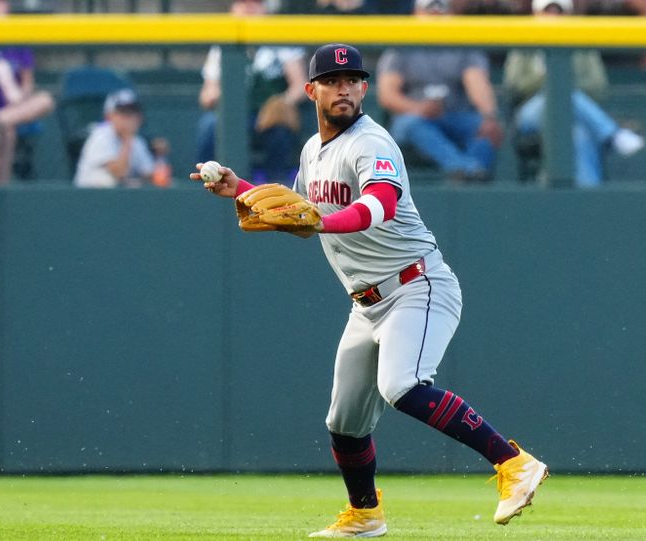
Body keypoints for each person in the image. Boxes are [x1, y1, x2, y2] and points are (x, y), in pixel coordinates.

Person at [191, 43, 548, 538]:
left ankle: (514, 464)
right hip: (367, 304)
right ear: (311, 90)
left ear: (363, 88)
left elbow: (377, 204)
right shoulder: (312, 150)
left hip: (416, 285)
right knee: (345, 421)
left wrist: (322, 221)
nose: (344, 88)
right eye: (333, 81)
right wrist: (242, 188)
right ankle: (365, 514)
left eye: (353, 80)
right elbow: (295, 208)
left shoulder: (372, 143)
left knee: (401, 386)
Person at [502, 0, 646, 187]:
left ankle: (587, 200)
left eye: (558, 12)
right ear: (536, 14)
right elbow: (513, 85)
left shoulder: (581, 43)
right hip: (530, 114)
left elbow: (598, 85)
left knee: (578, 133)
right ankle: (611, 134)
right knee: (556, 94)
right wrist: (550, 79)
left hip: (573, 113)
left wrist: (563, 82)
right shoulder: (523, 43)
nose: (553, 17)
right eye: (547, 12)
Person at [376, 0, 504, 182]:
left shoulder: (462, 44)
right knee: (412, 125)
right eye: (429, 9)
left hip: (452, 114)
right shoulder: (401, 46)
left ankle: (471, 179)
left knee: (484, 126)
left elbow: (478, 83)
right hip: (414, 117)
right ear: (416, 13)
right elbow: (387, 95)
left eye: (441, 8)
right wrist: (419, 108)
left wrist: (489, 116)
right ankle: (465, 169)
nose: (435, 13)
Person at [197, 0, 307, 186]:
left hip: (268, 114)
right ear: (232, 8)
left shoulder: (281, 39)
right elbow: (207, 94)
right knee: (209, 125)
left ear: (265, 8)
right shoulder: (222, 44)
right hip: (233, 115)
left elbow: (299, 85)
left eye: (255, 4)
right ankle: (210, 184)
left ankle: (276, 188)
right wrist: (215, 95)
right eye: (242, 3)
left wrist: (281, 102)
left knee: (280, 131)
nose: (248, 8)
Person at [0, 0, 54, 184]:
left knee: (45, 100)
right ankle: (2, 190)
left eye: (2, 5)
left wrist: (17, 96)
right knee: (6, 132)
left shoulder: (17, 38)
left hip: (13, 109)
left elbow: (28, 83)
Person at [74, 89, 159, 189]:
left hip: (116, 200)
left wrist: (159, 156)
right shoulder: (101, 136)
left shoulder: (136, 141)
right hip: (88, 198)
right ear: (109, 116)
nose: (129, 118)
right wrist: (127, 139)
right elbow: (119, 172)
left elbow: (150, 175)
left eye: (133, 112)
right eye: (123, 113)